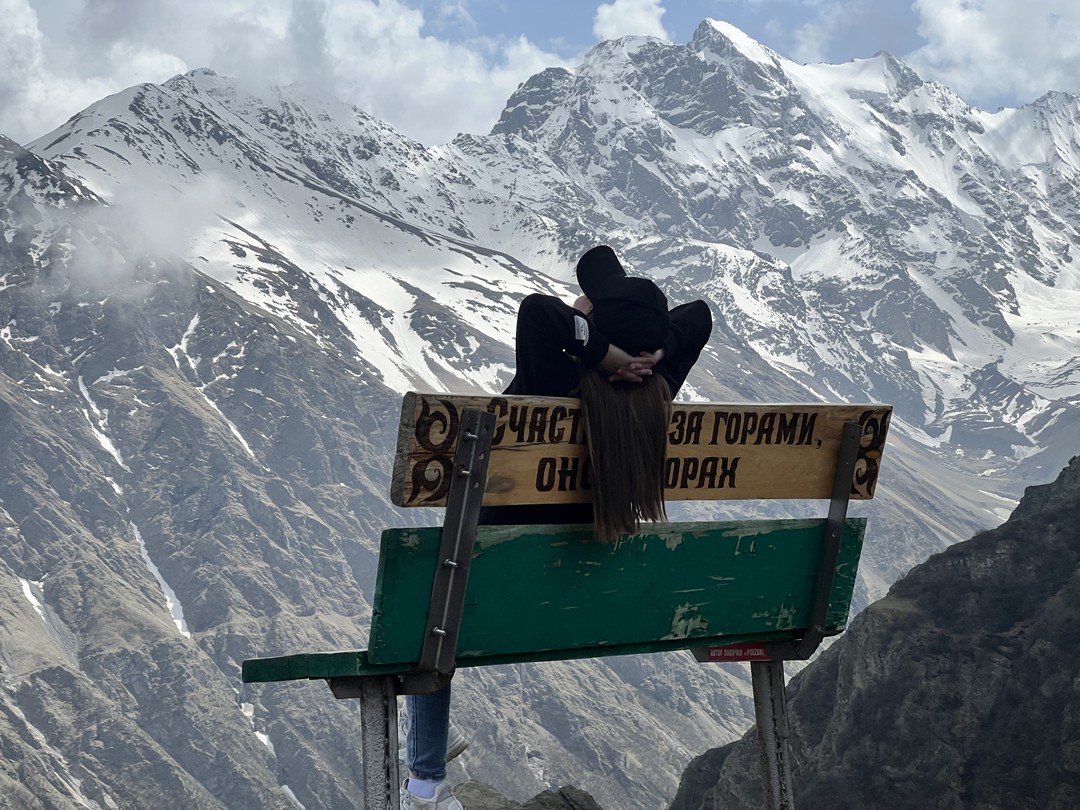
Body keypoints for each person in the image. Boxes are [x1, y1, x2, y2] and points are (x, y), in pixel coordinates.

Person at [401, 245, 712, 809]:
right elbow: (700, 315)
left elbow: (540, 311)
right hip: (589, 593)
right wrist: (644, 348)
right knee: (441, 603)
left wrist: (604, 352)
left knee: (428, 612)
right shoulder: (661, 386)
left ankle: (423, 785)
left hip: (488, 590)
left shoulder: (554, 380)